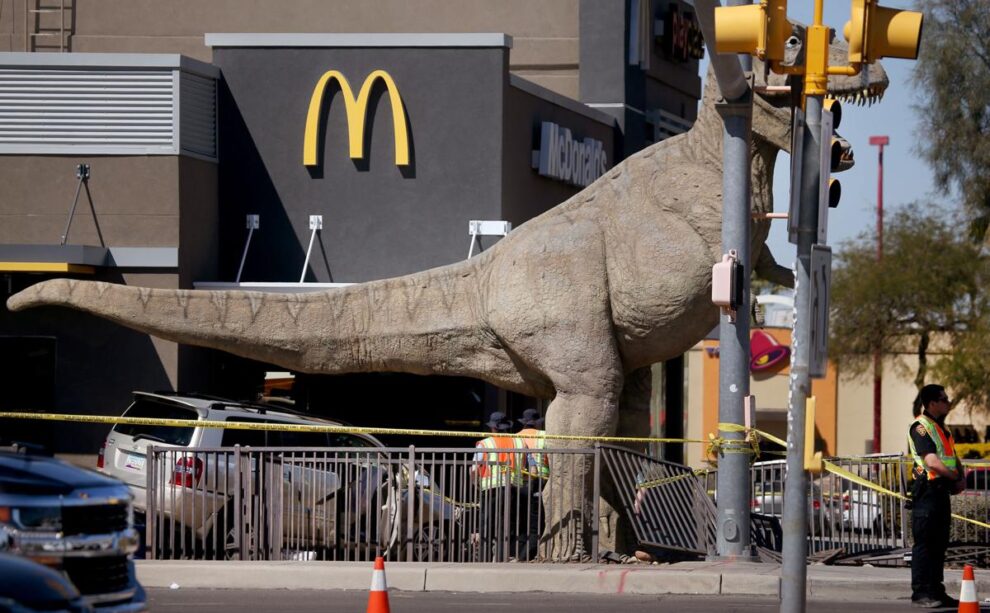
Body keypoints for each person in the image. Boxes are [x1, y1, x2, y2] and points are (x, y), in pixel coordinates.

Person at [907, 384, 966, 609]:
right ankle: (921, 592)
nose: (948, 402)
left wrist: (960, 477)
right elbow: (931, 461)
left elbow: (951, 456)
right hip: (927, 492)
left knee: (939, 544)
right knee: (925, 544)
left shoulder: (941, 428)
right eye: (944, 399)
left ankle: (936, 591)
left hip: (941, 492)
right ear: (932, 403)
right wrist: (954, 476)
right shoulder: (921, 427)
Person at [472, 412, 525, 561]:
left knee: (486, 524)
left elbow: (474, 469)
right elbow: (524, 465)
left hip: (491, 488)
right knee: (505, 525)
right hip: (513, 488)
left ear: (493, 428)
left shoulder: (485, 444)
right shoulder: (519, 442)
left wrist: (475, 483)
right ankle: (502, 558)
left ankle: (485, 558)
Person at [516, 408, 548, 559]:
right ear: (537, 423)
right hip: (542, 480)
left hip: (520, 482)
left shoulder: (516, 437)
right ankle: (530, 553)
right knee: (537, 520)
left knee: (522, 518)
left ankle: (520, 553)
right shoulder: (544, 435)